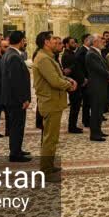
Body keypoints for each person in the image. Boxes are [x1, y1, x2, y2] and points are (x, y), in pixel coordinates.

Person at [32, 31, 76, 181]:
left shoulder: (48, 57)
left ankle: (49, 165)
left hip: (54, 101)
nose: (56, 42)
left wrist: (68, 79)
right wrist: (69, 85)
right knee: (50, 139)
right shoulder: (43, 58)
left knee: (52, 137)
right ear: (46, 42)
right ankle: (46, 171)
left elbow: (58, 76)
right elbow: (55, 81)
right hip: (50, 102)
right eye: (52, 40)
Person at [1, 31, 31, 162]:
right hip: (15, 100)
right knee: (16, 126)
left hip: (11, 98)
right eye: (24, 41)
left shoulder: (9, 53)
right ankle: (15, 154)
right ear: (21, 41)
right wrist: (23, 99)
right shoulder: (14, 56)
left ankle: (17, 150)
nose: (25, 43)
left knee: (16, 126)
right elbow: (16, 81)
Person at [86, 34, 109, 142]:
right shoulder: (91, 54)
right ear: (95, 42)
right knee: (96, 110)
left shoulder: (97, 52)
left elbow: (104, 67)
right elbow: (99, 69)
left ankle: (98, 130)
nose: (103, 41)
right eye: (101, 39)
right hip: (96, 86)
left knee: (99, 110)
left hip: (101, 85)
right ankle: (94, 134)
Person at [60, 37, 82, 133]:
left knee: (76, 106)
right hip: (72, 84)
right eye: (72, 43)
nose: (74, 44)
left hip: (76, 83)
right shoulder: (66, 55)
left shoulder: (71, 53)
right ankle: (72, 127)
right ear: (66, 44)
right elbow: (69, 71)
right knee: (74, 106)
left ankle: (73, 125)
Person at [75, 34, 92, 131]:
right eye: (90, 39)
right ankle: (86, 121)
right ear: (86, 40)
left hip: (87, 79)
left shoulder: (87, 50)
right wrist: (83, 79)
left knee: (88, 101)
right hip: (85, 81)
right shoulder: (82, 51)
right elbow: (80, 67)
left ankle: (87, 119)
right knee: (86, 101)